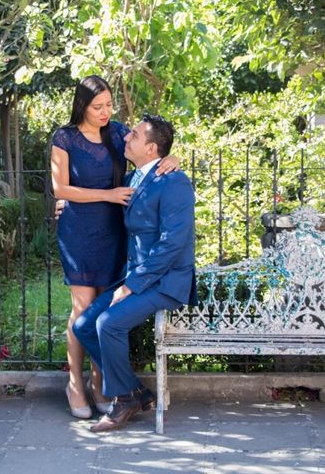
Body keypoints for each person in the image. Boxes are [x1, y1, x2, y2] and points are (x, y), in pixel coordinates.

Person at [50, 76, 179, 419]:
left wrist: (173, 157)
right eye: (98, 107)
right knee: (82, 307)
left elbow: (151, 148)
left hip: (113, 229)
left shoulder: (117, 130)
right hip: (78, 229)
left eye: (109, 105)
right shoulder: (64, 138)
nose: (106, 112)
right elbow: (60, 189)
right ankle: (75, 383)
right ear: (82, 106)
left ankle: (100, 383)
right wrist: (107, 194)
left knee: (104, 304)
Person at [72, 114, 197, 432]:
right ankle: (135, 393)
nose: (127, 138)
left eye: (136, 136)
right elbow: (103, 207)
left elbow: (172, 244)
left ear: (152, 148)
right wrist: (66, 205)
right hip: (136, 275)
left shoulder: (174, 181)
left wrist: (132, 285)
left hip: (165, 280)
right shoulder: (131, 181)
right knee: (85, 325)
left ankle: (123, 400)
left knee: (108, 323)